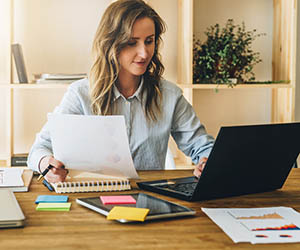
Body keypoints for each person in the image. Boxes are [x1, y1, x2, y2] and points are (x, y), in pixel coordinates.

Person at [27, 0, 214, 183]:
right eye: (132, 43)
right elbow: (39, 149)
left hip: (148, 200)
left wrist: (206, 162)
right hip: (91, 197)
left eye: (149, 41)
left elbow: (203, 146)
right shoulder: (80, 94)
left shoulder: (169, 95)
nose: (144, 53)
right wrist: (47, 165)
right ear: (111, 43)